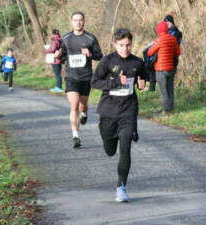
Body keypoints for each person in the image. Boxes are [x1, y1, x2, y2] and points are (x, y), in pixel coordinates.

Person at [91, 28, 146, 202]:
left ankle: (121, 186)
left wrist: (142, 83)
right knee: (110, 150)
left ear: (132, 44)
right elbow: (95, 82)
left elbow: (142, 79)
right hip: (108, 111)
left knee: (125, 148)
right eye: (121, 45)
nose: (125, 48)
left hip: (128, 111)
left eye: (128, 45)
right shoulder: (107, 61)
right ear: (115, 44)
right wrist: (115, 82)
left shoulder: (137, 62)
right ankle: (109, 139)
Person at [57, 11, 103, 148]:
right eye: (75, 20)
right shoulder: (65, 38)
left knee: (82, 105)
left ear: (84, 21)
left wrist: (90, 53)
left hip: (86, 77)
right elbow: (62, 55)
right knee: (74, 106)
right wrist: (58, 55)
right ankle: (75, 136)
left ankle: (84, 113)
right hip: (71, 77)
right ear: (71, 22)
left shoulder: (90, 38)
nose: (78, 22)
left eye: (80, 20)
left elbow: (99, 56)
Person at [148, 21, 181, 115]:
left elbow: (150, 52)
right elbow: (178, 52)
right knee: (170, 88)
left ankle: (165, 110)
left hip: (160, 69)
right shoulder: (173, 39)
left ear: (158, 30)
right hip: (170, 68)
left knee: (163, 90)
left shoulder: (159, 40)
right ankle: (170, 108)